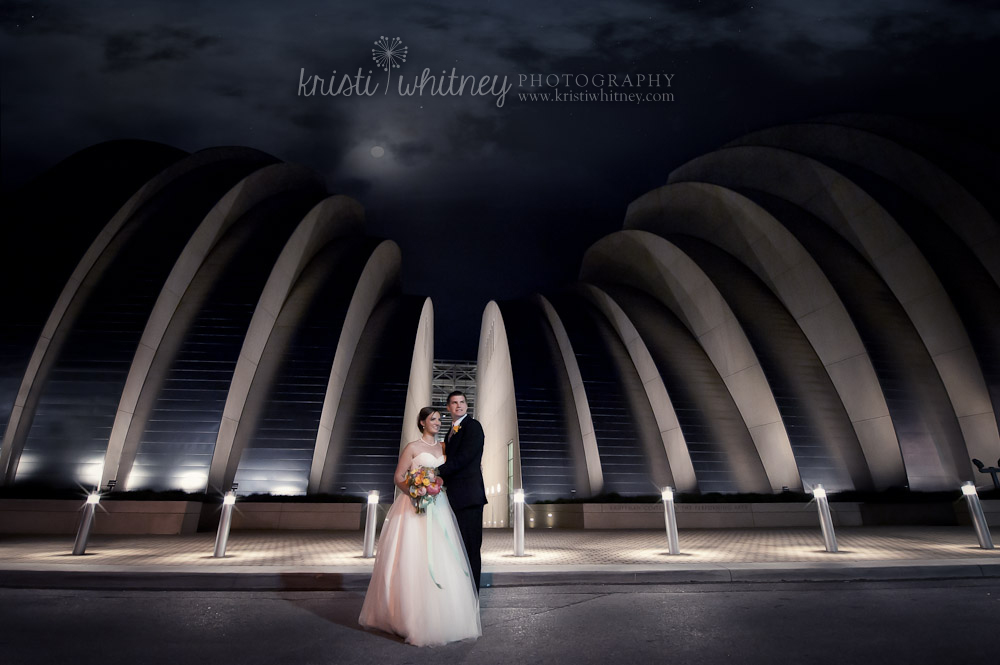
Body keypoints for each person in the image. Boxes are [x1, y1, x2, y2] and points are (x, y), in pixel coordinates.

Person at [358, 406, 481, 646]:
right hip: (412, 506)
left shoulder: (444, 448)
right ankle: (406, 616)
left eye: (439, 419)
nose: (437, 422)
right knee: (412, 555)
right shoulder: (412, 448)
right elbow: (399, 476)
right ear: (422, 423)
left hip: (439, 505)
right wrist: (414, 492)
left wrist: (440, 482)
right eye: (433, 419)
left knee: (442, 554)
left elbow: (450, 471)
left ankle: (443, 614)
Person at [437, 390, 487, 592]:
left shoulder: (473, 426)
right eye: (454, 403)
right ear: (448, 407)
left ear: (467, 405)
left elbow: (465, 457)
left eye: (462, 402)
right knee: (459, 548)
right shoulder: (450, 432)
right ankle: (461, 592)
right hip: (455, 497)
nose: (459, 405)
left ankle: (472, 593)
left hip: (469, 497)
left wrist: (438, 472)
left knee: (471, 547)